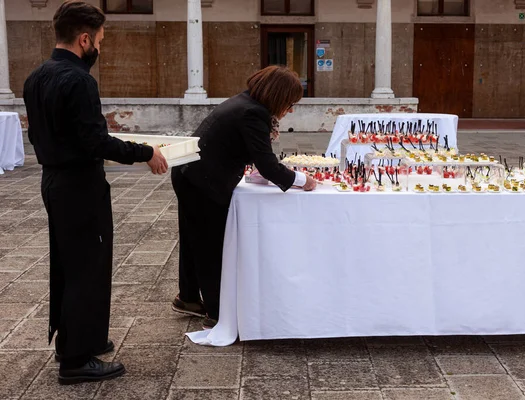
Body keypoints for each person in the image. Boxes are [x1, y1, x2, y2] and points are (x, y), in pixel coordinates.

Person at [22, 1, 168, 385]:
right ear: (84, 39)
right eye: (99, 40)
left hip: (53, 181)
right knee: (88, 267)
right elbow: (95, 141)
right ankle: (76, 360)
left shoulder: (36, 77)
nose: (100, 48)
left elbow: (37, 135)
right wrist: (146, 153)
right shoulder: (79, 81)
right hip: (79, 186)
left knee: (69, 264)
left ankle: (78, 338)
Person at [170, 66, 317, 327]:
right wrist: (303, 180)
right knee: (209, 245)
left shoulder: (244, 102)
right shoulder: (253, 113)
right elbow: (268, 165)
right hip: (202, 181)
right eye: (291, 103)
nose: (291, 109)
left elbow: (254, 155)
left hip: (189, 173)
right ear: (279, 96)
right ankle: (217, 313)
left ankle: (189, 298)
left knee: (194, 239)